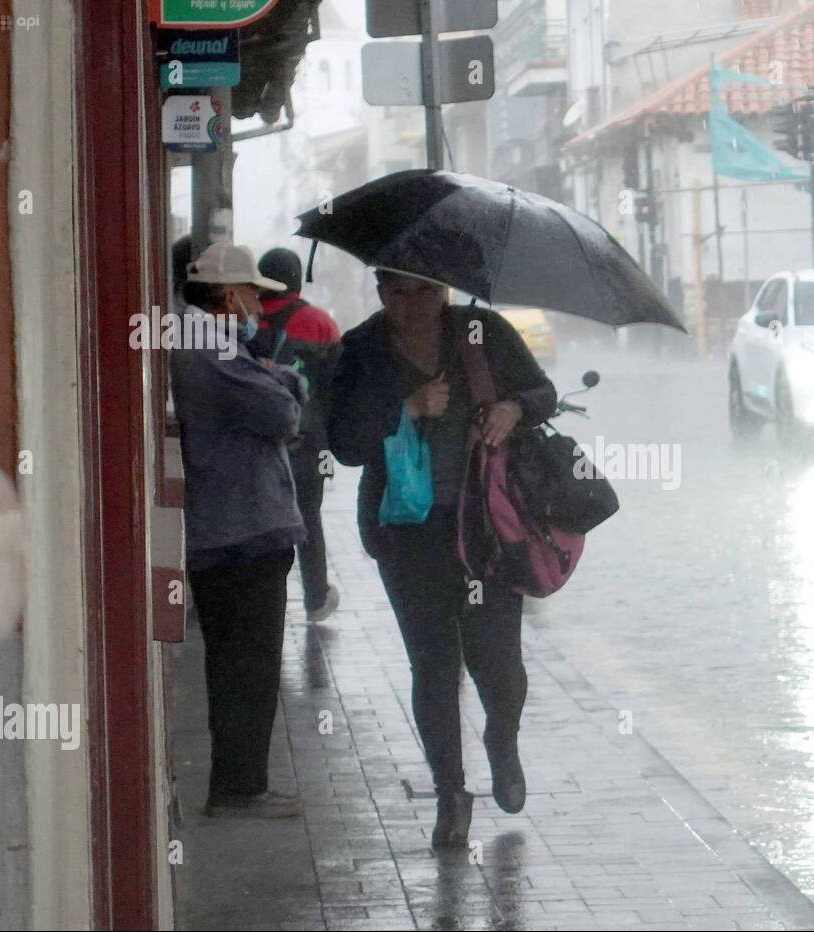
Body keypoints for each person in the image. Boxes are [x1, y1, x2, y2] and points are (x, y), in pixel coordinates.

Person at [328, 269, 556, 848]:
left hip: (486, 528)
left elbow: (542, 393)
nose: (411, 304)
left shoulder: (482, 331)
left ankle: (501, 741)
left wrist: (512, 409)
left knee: (499, 665)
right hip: (407, 533)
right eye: (397, 292)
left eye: (423, 290)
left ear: (444, 291)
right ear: (380, 292)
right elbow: (343, 443)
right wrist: (405, 408)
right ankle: (451, 794)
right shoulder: (360, 348)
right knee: (433, 665)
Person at [170, 241, 307, 819]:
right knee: (248, 663)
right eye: (252, 294)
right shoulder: (208, 346)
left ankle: (241, 782)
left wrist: (273, 379)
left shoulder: (210, 342)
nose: (258, 304)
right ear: (229, 295)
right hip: (241, 529)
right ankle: (240, 787)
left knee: (240, 662)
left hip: (235, 526)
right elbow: (283, 414)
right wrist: (287, 386)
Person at [256, 247, 343, 623]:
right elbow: (339, 385)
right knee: (309, 517)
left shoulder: (247, 321)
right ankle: (317, 597)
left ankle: (266, 603)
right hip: (310, 443)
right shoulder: (321, 323)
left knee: (263, 523)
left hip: (260, 444)